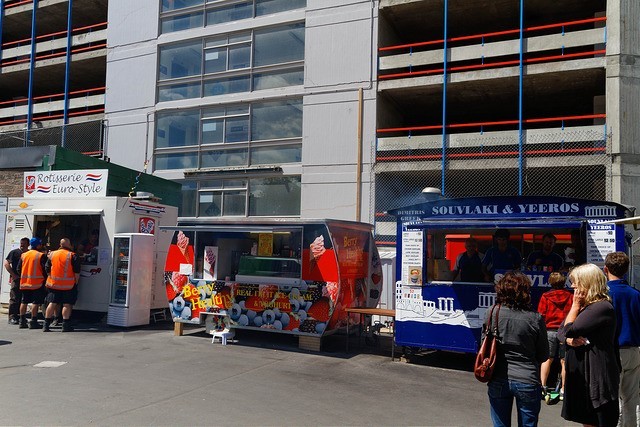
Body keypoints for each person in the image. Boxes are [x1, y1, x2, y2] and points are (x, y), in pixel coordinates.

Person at [558, 263, 620, 427]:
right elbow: (561, 332)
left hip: (597, 374)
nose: (572, 286)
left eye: (576, 282)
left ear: (588, 283)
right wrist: (569, 339)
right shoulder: (587, 307)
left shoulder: (600, 307)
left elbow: (569, 329)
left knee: (599, 418)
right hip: (584, 374)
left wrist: (575, 306)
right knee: (588, 420)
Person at [485, 271, 549, 427]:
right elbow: (543, 355)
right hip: (527, 378)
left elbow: (484, 345)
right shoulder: (535, 318)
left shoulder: (492, 312)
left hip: (498, 376)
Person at [603, 252, 640, 427]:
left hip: (611, 350)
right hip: (633, 349)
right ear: (626, 270)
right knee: (631, 398)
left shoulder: (604, 294)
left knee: (612, 398)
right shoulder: (635, 294)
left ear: (606, 269)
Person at [537, 271, 573, 402]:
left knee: (547, 359)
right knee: (564, 361)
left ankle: (543, 387)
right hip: (564, 331)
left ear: (550, 282)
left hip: (549, 330)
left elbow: (541, 315)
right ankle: (563, 390)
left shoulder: (545, 296)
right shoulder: (570, 296)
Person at [44, 237, 81, 332]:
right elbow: (77, 272)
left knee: (52, 303)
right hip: (68, 285)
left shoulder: (52, 254)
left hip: (54, 284)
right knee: (67, 304)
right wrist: (75, 282)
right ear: (69, 245)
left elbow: (47, 268)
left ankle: (46, 325)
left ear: (60, 245)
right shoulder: (73, 255)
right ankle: (65, 325)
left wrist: (52, 277)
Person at [16, 237, 47, 329]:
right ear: (38, 245)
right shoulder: (41, 255)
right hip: (37, 283)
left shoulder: (24, 255)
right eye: (40, 244)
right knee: (35, 302)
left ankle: (22, 321)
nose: (41, 246)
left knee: (24, 301)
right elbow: (45, 270)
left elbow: (18, 269)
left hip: (25, 282)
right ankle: (33, 321)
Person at [3, 237, 30, 325]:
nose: (22, 245)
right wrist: (13, 275)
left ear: (28, 245)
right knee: (14, 298)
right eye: (21, 244)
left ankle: (20, 316)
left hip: (26, 279)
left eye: (24, 244)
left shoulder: (29, 254)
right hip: (17, 279)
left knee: (23, 298)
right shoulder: (15, 252)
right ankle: (12, 317)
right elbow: (6, 263)